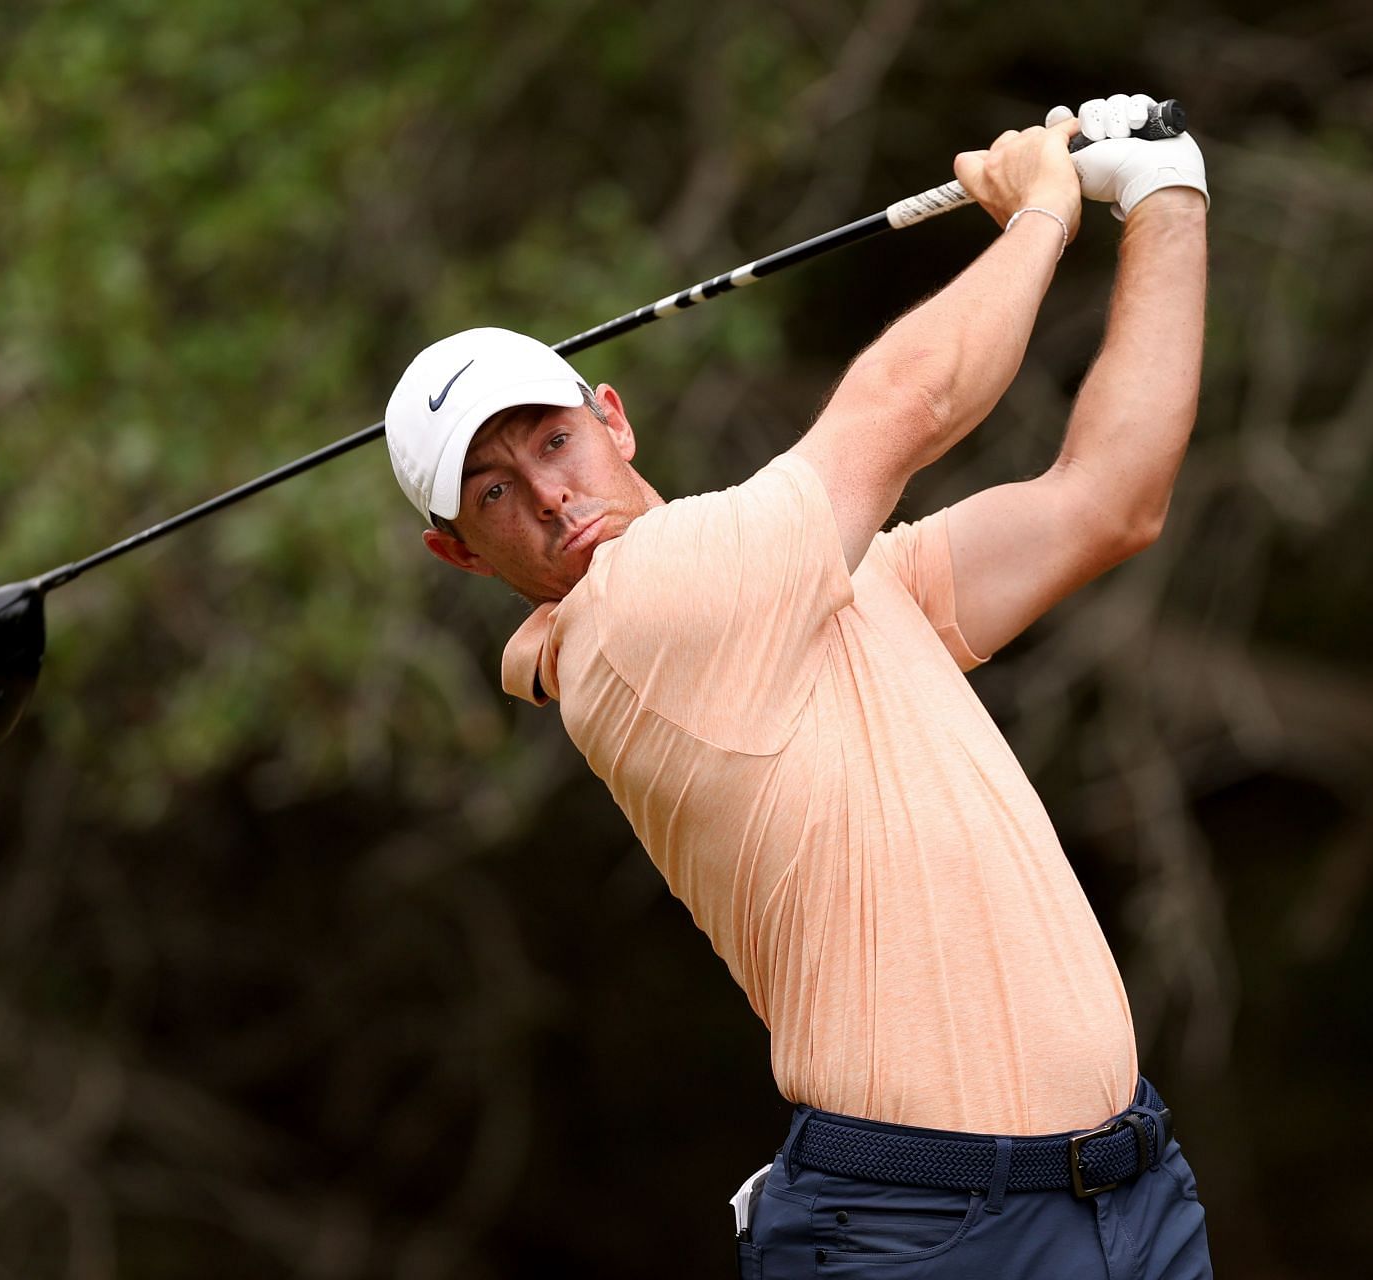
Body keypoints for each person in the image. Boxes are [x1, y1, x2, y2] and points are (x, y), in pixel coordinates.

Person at [383, 93, 1211, 1279]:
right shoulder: (640, 609)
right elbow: (906, 406)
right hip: (924, 1231)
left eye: (551, 442)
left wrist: (1166, 195)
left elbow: (1110, 496)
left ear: (610, 418)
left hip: (1128, 1194)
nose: (552, 495)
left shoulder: (841, 586)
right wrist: (1041, 213)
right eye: (495, 491)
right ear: (460, 552)